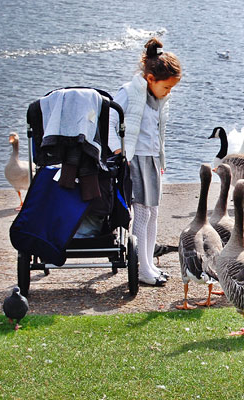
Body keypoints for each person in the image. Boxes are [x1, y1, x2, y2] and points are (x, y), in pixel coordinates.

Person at [108, 37, 182, 286]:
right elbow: (109, 118)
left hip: (151, 160)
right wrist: (118, 150)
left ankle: (149, 263)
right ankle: (140, 268)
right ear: (151, 79)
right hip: (134, 159)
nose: (168, 92)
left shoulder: (158, 99)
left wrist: (160, 158)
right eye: (167, 87)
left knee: (154, 212)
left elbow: (157, 132)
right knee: (141, 212)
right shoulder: (129, 91)